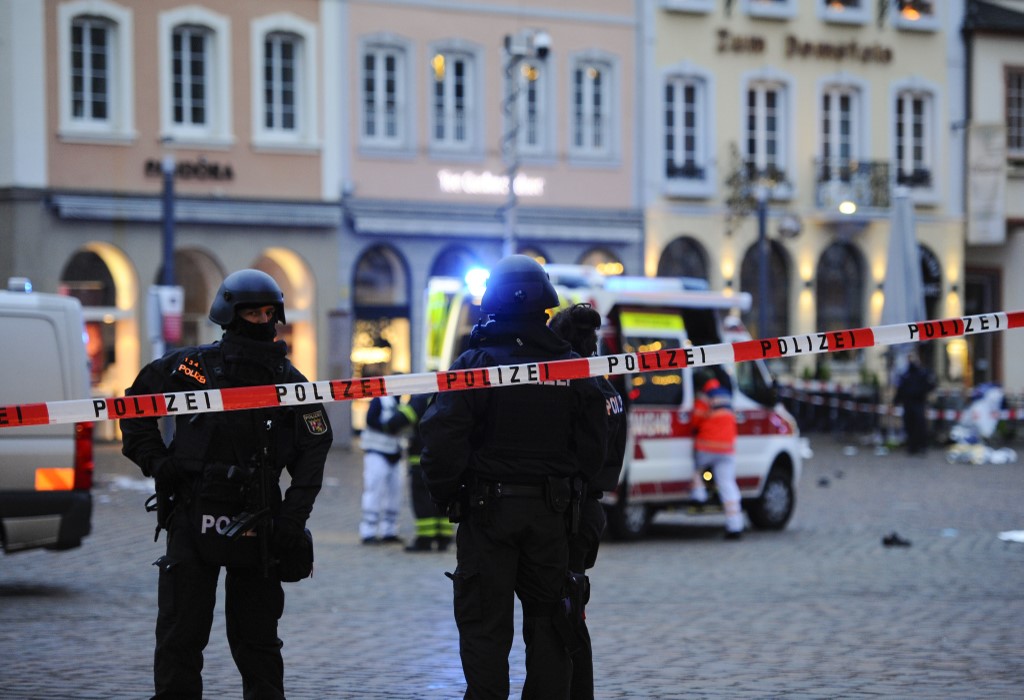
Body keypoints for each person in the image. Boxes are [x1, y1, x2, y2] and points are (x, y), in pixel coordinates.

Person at [121, 268, 333, 699]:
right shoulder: (190, 368)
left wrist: (292, 519)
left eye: (268, 313)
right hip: (192, 513)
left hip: (259, 520)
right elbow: (134, 406)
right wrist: (156, 462)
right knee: (180, 639)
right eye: (251, 312)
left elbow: (316, 447)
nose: (261, 321)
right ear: (229, 314)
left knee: (258, 645)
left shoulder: (289, 382)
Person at [419, 255, 609, 700]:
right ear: (545, 302)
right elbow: (595, 443)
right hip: (553, 516)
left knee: (485, 629)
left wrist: (447, 495)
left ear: (492, 304)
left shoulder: (476, 364)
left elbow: (442, 437)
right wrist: (574, 489)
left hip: (488, 514)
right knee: (550, 629)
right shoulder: (571, 365)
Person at [548, 303, 627, 700]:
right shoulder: (606, 387)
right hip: (590, 509)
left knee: (560, 620)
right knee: (572, 611)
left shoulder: (575, 389)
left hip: (568, 510)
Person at [390, 393, 453, 552]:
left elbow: (399, 420)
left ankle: (425, 539)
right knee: (444, 496)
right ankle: (444, 538)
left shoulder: (420, 398)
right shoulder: (451, 396)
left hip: (421, 458)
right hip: (447, 457)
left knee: (423, 498)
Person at [690, 374, 744, 540]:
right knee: (727, 484)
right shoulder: (726, 395)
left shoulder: (704, 397)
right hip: (727, 448)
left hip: (707, 446)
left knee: (693, 467)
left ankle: (699, 496)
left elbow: (695, 421)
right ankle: (735, 525)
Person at [358, 373, 405, 545]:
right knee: (374, 491)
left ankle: (389, 531)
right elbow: (370, 420)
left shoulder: (400, 403)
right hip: (376, 452)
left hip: (394, 454)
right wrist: (389, 427)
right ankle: (368, 532)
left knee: (394, 493)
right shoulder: (380, 399)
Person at [894, 352, 937, 455]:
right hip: (909, 404)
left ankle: (921, 446)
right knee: (910, 425)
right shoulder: (906, 375)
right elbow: (901, 389)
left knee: (919, 425)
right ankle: (913, 446)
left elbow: (930, 385)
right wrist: (896, 400)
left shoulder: (921, 374)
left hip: (918, 403)